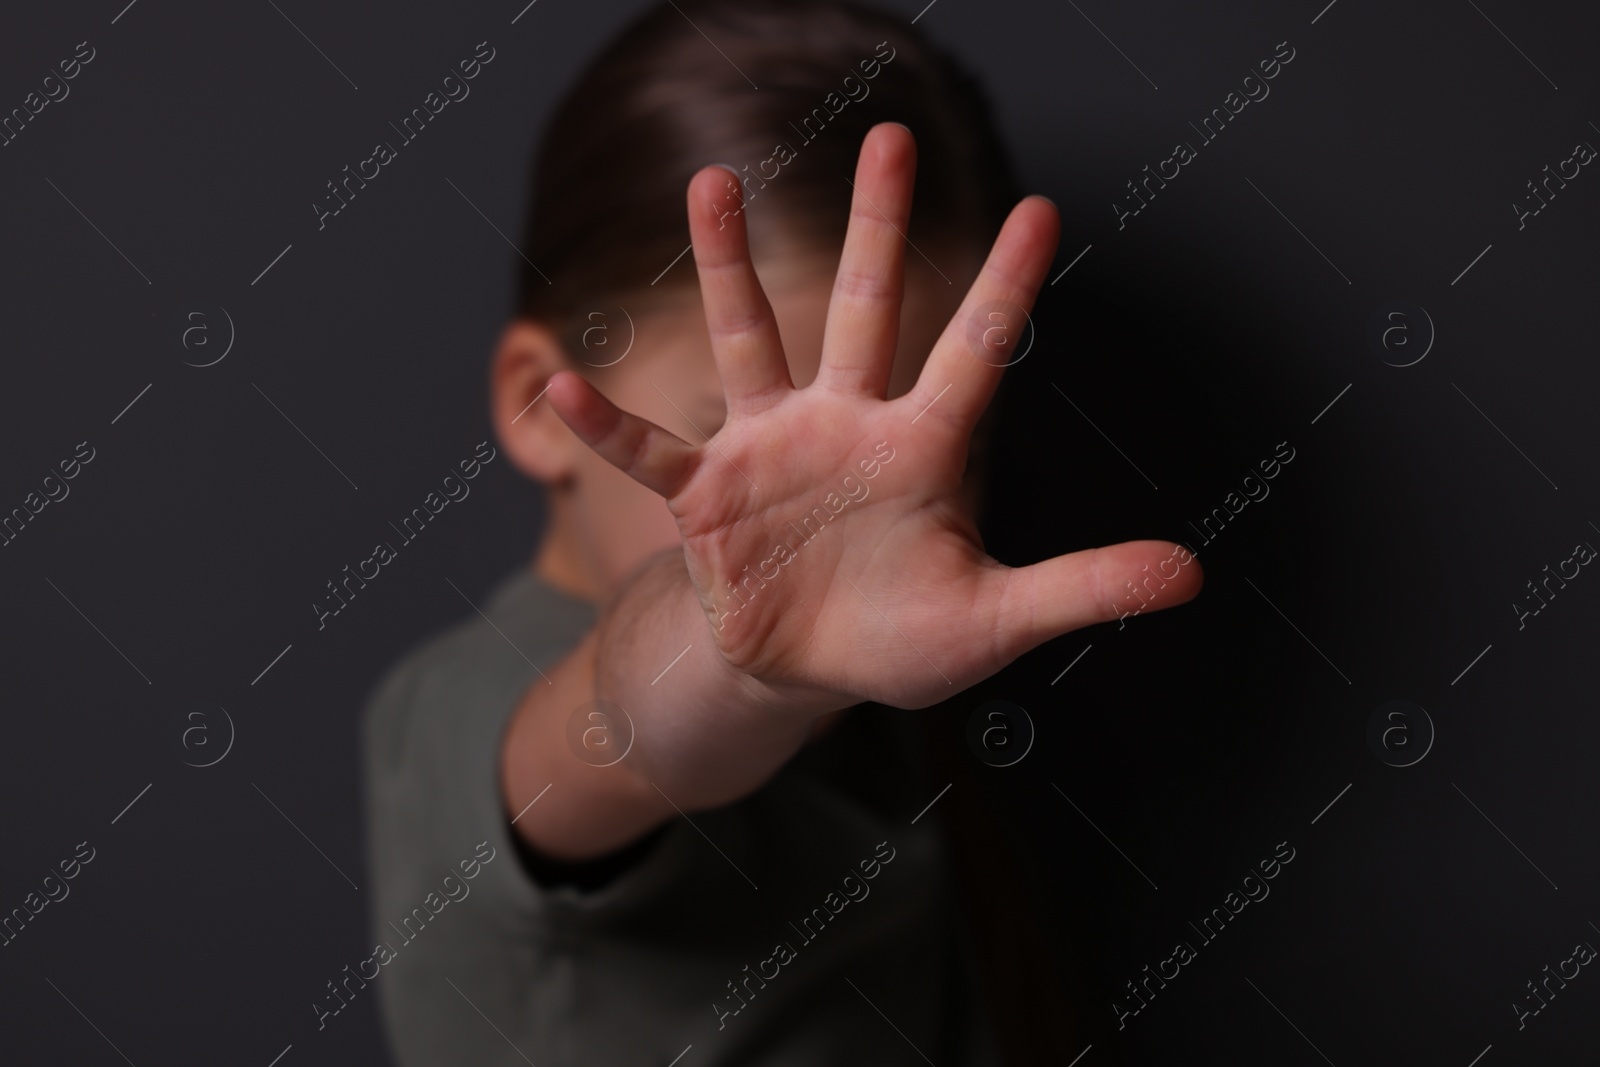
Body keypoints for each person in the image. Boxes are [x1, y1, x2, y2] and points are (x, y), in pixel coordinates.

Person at [361, 1, 1203, 1063]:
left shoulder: (884, 719)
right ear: (542, 402)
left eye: (941, 455)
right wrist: (737, 661)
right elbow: (624, 726)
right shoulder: (459, 708)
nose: (848, 536)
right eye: (743, 442)